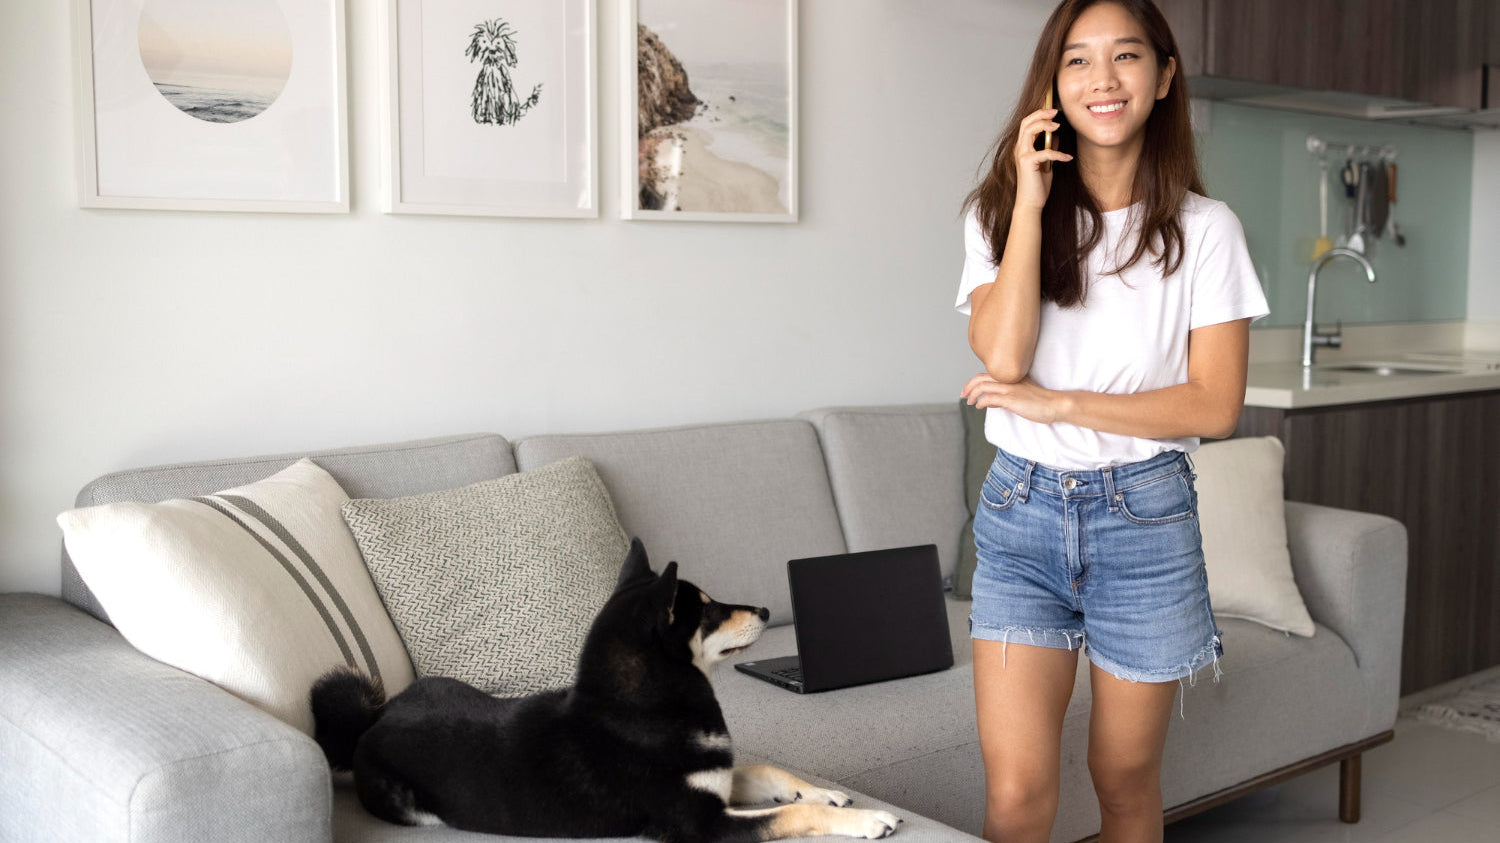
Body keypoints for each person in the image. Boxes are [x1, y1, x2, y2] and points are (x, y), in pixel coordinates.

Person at [953, 1, 1269, 841]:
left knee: (1122, 777)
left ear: (1164, 77)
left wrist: (1064, 406)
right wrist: (1028, 202)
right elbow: (1006, 359)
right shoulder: (995, 216)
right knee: (1016, 794)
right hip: (1021, 516)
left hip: (1146, 519)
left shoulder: (1206, 232)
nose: (1102, 80)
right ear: (1052, 85)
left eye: (1126, 57)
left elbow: (1215, 404)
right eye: (1078, 61)